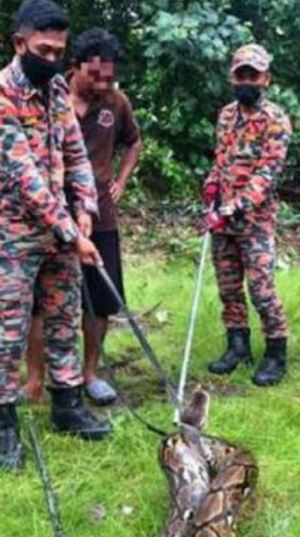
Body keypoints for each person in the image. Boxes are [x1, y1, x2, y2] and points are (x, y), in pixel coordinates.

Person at [0, 0, 111, 471]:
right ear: (19, 43)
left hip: (61, 234)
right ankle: (4, 423)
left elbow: (76, 154)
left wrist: (85, 211)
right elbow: (24, 178)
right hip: (12, 236)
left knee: (64, 317)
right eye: (43, 50)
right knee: (7, 330)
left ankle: (67, 406)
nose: (50, 59)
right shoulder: (2, 95)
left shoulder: (58, 89)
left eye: (57, 51)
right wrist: (71, 232)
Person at [23, 28, 142, 406]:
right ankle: (35, 378)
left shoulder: (116, 103)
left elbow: (134, 141)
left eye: (109, 77)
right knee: (39, 301)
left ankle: (89, 373)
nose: (103, 84)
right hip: (48, 212)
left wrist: (120, 180)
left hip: (98, 215)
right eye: (95, 76)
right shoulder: (48, 96)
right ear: (74, 67)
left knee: (101, 298)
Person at [203, 44, 292, 387]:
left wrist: (236, 205)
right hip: (222, 221)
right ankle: (237, 346)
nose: (246, 81)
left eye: (253, 76)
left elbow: (268, 173)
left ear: (266, 79)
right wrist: (212, 187)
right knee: (228, 288)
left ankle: (275, 352)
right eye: (241, 75)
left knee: (261, 289)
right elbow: (220, 160)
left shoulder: (275, 120)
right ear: (232, 78)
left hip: (255, 221)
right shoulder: (226, 116)